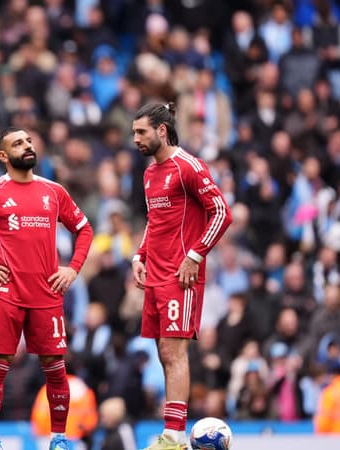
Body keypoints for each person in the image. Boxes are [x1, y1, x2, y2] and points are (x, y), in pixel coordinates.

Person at [0, 127, 93, 450]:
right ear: (3, 156)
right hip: (7, 294)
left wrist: (73, 269)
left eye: (28, 141)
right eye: (18, 143)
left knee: (55, 368)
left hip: (47, 294)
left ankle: (59, 439)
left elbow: (84, 229)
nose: (27, 146)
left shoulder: (53, 192)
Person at [130, 102, 232, 450]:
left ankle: (173, 436)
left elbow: (221, 212)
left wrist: (195, 256)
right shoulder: (149, 174)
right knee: (163, 352)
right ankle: (172, 433)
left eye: (141, 132)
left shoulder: (188, 166)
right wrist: (139, 255)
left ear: (162, 130)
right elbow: (154, 222)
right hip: (155, 272)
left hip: (181, 275)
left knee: (174, 352)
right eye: (133, 133)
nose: (136, 139)